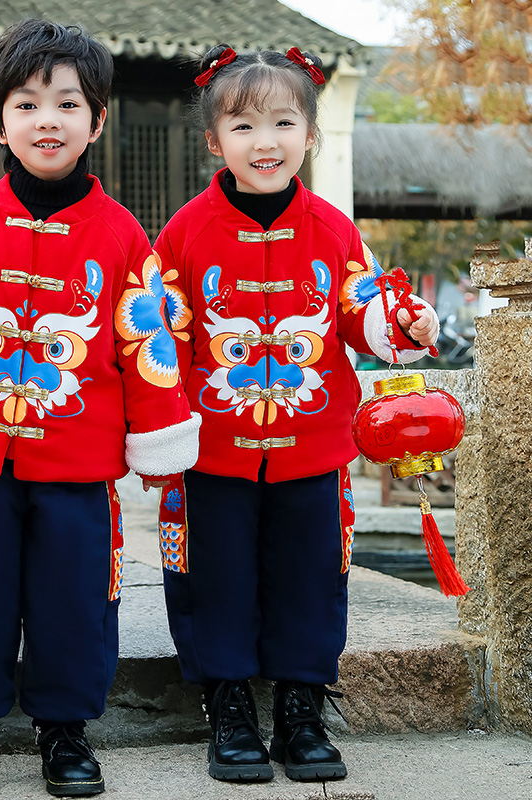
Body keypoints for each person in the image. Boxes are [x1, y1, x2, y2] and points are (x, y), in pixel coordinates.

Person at [0, 18, 200, 799]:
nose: (48, 121)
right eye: (26, 105)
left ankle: (65, 731)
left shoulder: (126, 238)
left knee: (74, 599)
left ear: (97, 120)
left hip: (78, 460)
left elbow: (148, 344)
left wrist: (160, 447)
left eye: (68, 104)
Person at [153, 45, 439, 784]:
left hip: (313, 446)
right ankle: (229, 709)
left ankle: (303, 710)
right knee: (214, 578)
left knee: (311, 577)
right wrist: (154, 429)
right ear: (215, 140)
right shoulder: (183, 233)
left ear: (309, 135)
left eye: (284, 122)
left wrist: (403, 322)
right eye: (243, 126)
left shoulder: (336, 231)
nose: (266, 142)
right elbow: (157, 334)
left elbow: (363, 314)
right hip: (211, 451)